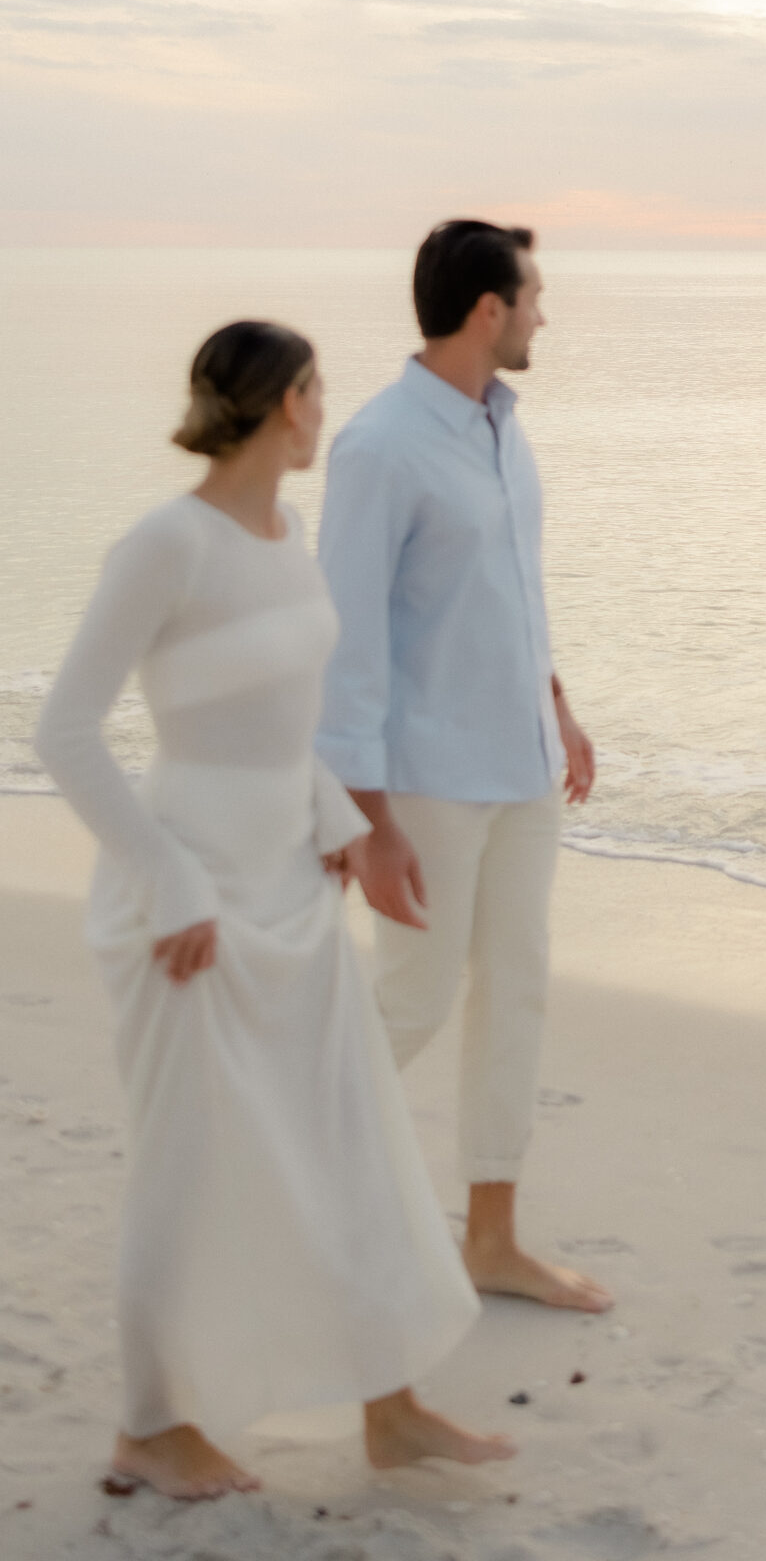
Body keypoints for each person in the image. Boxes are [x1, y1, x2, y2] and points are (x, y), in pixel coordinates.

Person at [35, 321, 514, 1503]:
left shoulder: (288, 532)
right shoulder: (167, 543)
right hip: (187, 902)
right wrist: (173, 878)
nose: (324, 412)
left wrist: (340, 823)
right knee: (189, 1167)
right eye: (316, 391)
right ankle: (150, 1426)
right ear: (284, 403)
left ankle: (390, 1408)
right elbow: (65, 733)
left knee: (351, 1145)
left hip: (293, 888)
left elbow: (279, 727)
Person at [316, 221, 611, 1315]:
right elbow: (346, 647)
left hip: (523, 767)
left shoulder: (501, 429)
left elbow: (509, 593)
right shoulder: (380, 445)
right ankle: (274, 1175)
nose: (544, 311)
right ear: (487, 308)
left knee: (516, 989)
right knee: (417, 997)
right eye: (534, 293)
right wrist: (367, 821)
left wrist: (561, 709)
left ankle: (492, 1237)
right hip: (429, 779)